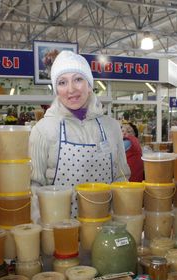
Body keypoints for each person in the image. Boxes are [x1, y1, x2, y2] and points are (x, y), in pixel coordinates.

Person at [29, 51, 130, 214]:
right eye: (62, 82)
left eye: (78, 79)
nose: (71, 89)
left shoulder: (111, 127)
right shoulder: (43, 130)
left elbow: (121, 178)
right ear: (56, 89)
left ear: (89, 85)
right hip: (60, 230)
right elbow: (34, 188)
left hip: (105, 228)